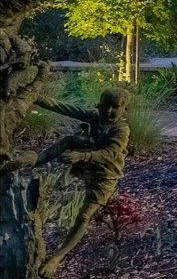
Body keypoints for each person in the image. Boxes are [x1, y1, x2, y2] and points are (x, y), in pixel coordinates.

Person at [1, 89, 131, 278]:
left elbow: (110, 154)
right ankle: (34, 160)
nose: (109, 111)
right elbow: (68, 109)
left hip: (105, 175)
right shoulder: (95, 117)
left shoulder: (121, 129)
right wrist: (39, 98)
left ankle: (57, 258)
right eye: (105, 106)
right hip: (86, 161)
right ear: (99, 105)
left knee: (84, 217)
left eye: (115, 107)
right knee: (70, 140)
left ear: (123, 108)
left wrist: (82, 156)